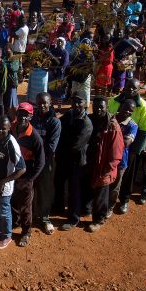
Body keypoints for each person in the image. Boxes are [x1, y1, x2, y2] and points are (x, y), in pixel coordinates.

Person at [85, 97, 124, 233]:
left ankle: (98, 220)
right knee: (90, 188)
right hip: (90, 161)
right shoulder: (90, 119)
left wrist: (109, 167)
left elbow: (117, 150)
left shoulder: (112, 126)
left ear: (107, 107)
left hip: (104, 166)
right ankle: (88, 210)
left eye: (101, 107)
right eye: (95, 107)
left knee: (101, 193)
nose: (98, 109)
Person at [57, 93, 94, 231]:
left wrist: (59, 148)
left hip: (77, 161)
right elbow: (59, 125)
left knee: (74, 189)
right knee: (59, 182)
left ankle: (74, 218)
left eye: (80, 102)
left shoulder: (86, 123)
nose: (76, 104)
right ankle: (59, 208)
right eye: (74, 101)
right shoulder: (70, 114)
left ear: (86, 104)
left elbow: (76, 145)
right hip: (65, 157)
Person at [0, 116, 27, 248]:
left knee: (4, 211)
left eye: (3, 129)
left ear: (9, 129)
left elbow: (22, 169)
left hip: (4, 185)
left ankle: (7, 236)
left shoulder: (12, 144)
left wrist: (3, 182)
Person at [10, 103, 45, 246]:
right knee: (12, 201)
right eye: (20, 113)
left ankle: (26, 232)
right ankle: (15, 223)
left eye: (26, 114)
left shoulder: (34, 136)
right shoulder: (12, 128)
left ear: (31, 116)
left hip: (26, 175)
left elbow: (41, 162)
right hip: (11, 173)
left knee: (25, 206)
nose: (22, 117)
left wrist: (30, 179)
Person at [31, 93, 61, 234]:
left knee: (45, 189)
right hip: (30, 159)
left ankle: (45, 217)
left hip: (45, 161)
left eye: (45, 103)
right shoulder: (33, 117)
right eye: (39, 103)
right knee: (29, 186)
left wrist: (35, 150)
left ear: (50, 103)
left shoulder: (54, 122)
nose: (42, 106)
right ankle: (28, 214)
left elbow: (51, 147)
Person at [106, 99, 138, 214]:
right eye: (126, 108)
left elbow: (126, 142)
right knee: (104, 181)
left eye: (131, 110)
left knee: (115, 185)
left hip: (121, 161)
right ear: (121, 106)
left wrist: (112, 135)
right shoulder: (112, 118)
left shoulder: (132, 125)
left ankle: (110, 205)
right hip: (107, 157)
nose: (128, 111)